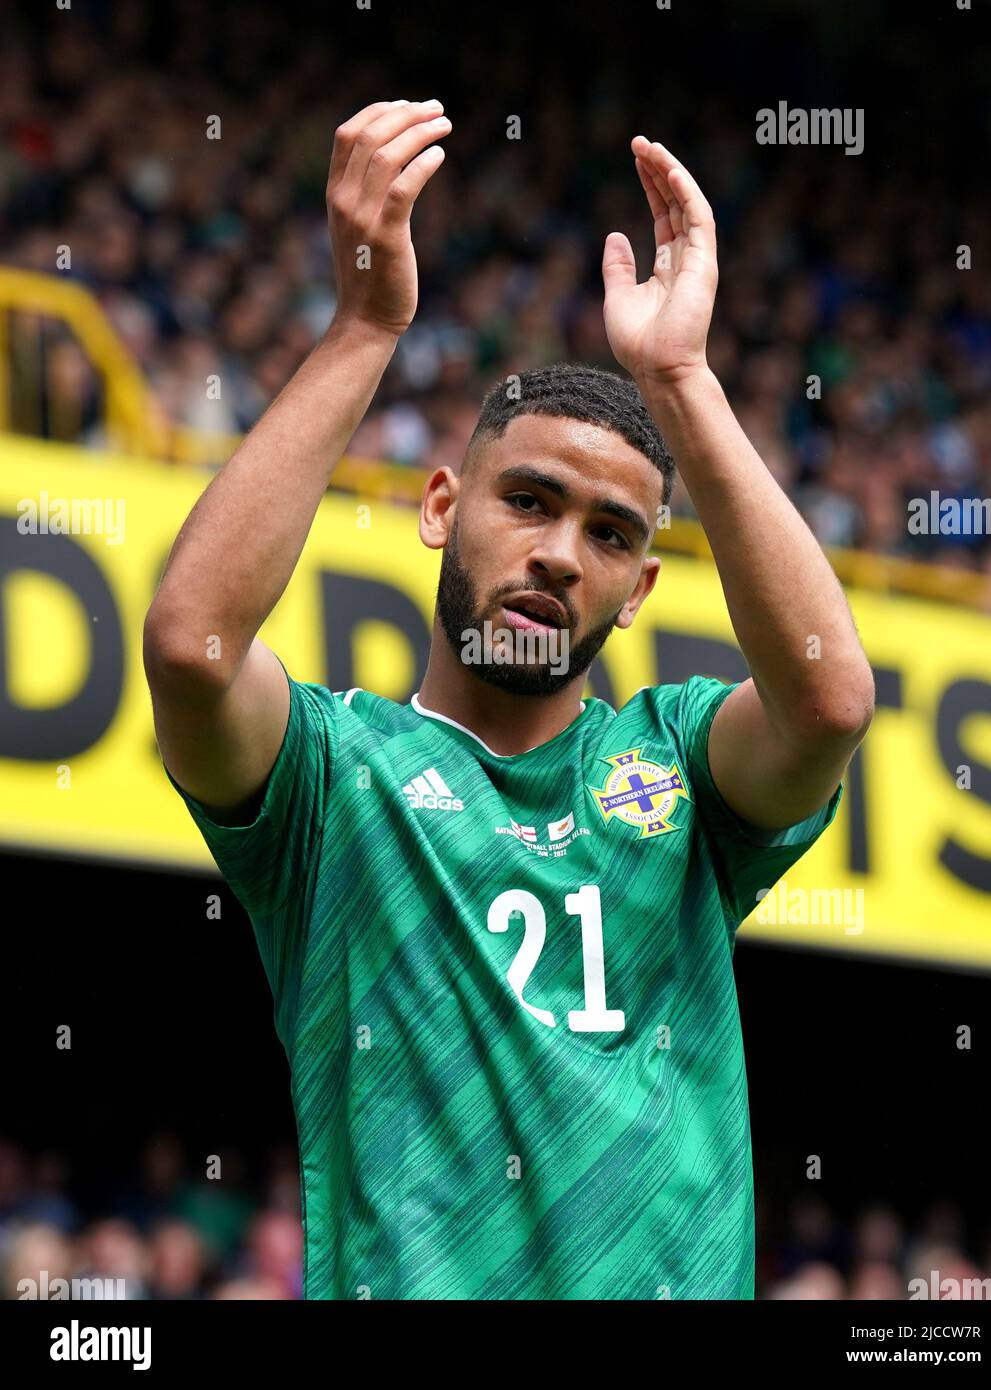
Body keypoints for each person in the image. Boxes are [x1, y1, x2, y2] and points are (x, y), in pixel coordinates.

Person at [143, 99, 874, 1299]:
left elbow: (829, 701)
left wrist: (682, 381)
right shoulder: (334, 780)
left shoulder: (676, 765)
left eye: (606, 533)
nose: (557, 553)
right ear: (441, 508)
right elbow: (191, 647)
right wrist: (365, 326)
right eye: (525, 501)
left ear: (639, 588)